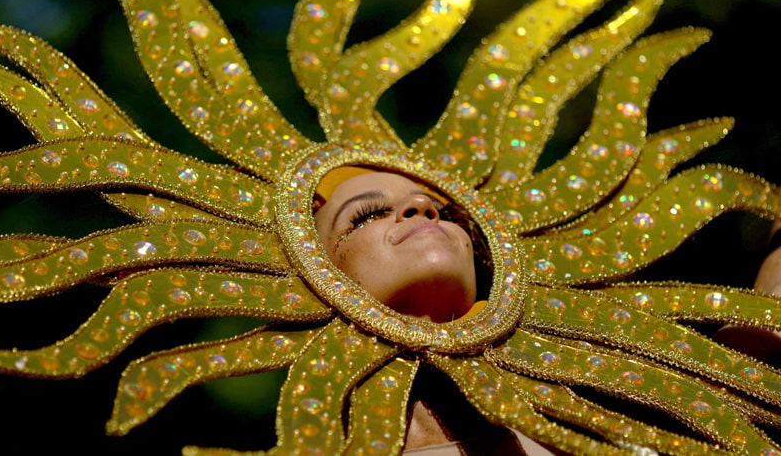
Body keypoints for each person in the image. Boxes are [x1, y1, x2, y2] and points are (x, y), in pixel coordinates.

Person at [314, 166, 781, 455]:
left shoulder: (612, 414)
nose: (421, 206)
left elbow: (758, 363)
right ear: (315, 276)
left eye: (443, 211)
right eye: (367, 215)